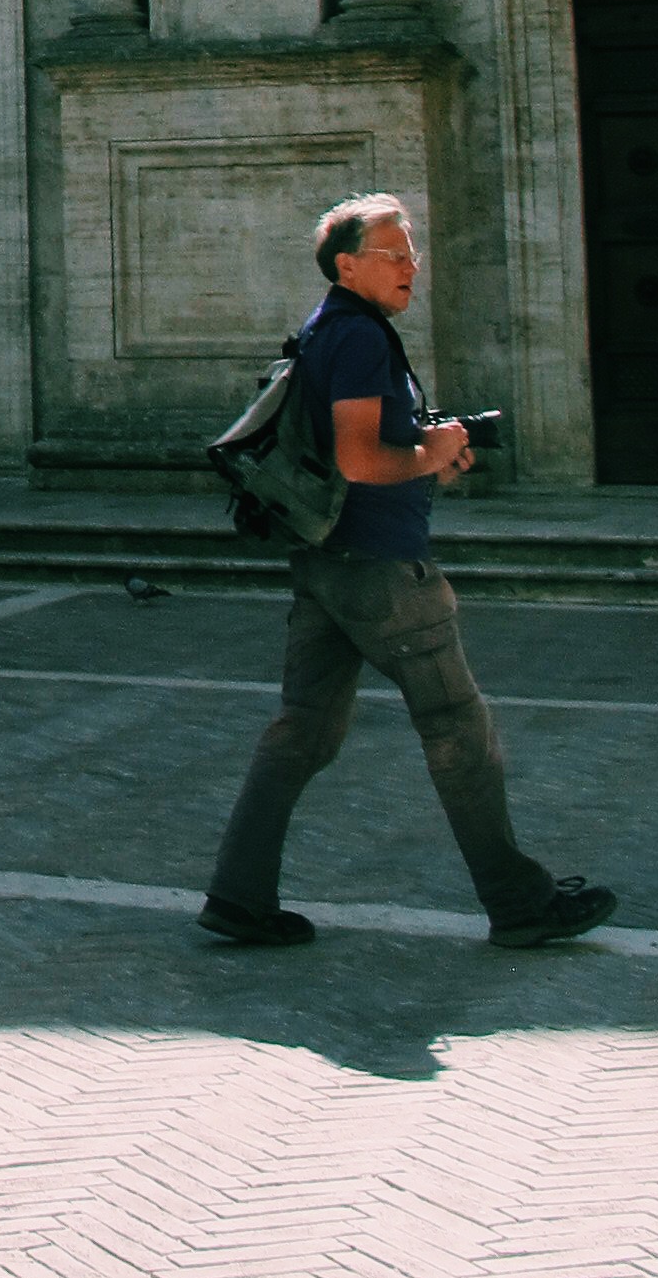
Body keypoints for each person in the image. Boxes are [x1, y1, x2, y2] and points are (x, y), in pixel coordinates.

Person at [201, 191, 615, 953]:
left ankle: (238, 894)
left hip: (326, 562)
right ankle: (520, 904)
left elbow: (359, 453)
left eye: (411, 253)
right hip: (382, 571)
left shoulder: (328, 329)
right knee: (457, 726)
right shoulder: (360, 338)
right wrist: (434, 449)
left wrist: (428, 455)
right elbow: (362, 459)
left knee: (302, 732)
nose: (411, 266)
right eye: (393, 254)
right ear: (347, 266)